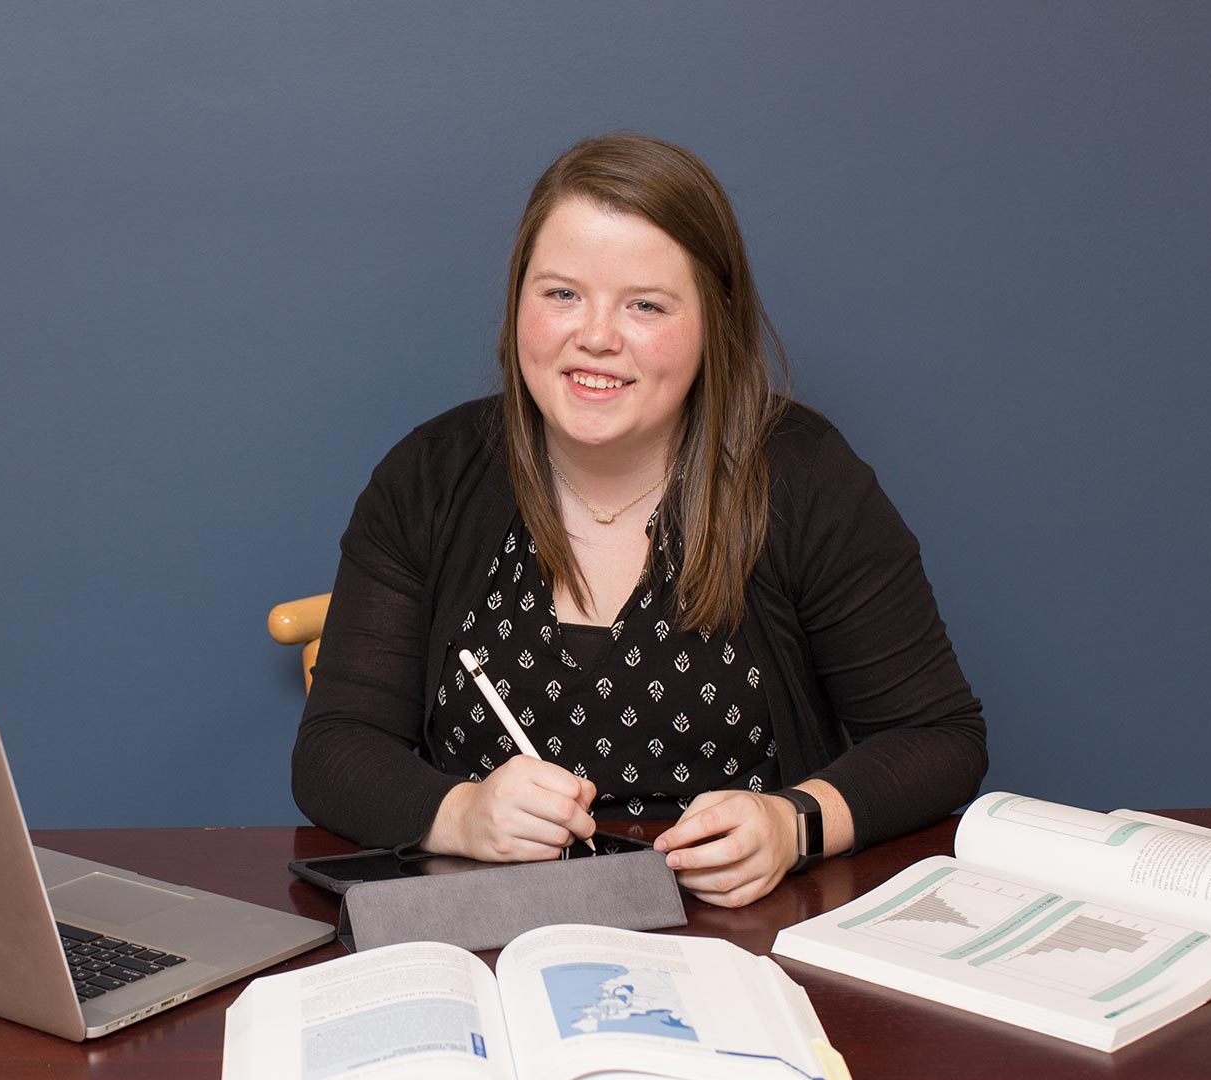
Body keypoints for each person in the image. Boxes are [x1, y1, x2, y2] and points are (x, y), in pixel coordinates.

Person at [291, 133, 986, 908]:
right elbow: (333, 752)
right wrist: (462, 814)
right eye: (561, 294)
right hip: (488, 933)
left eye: (646, 305)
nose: (595, 336)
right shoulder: (430, 476)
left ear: (715, 321)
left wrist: (795, 824)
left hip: (733, 939)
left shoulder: (803, 475)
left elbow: (940, 739)